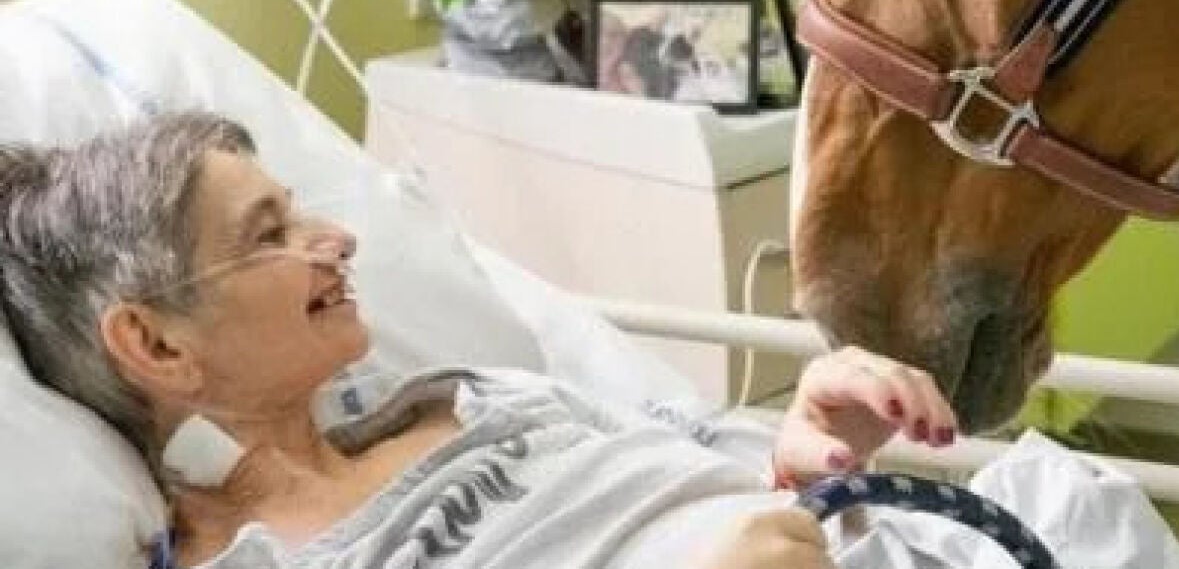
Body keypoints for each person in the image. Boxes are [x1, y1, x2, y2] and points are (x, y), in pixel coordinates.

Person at [0, 113, 963, 569]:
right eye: (269, 233)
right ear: (156, 345)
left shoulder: (480, 395)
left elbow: (738, 488)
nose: (335, 240)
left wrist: (800, 456)